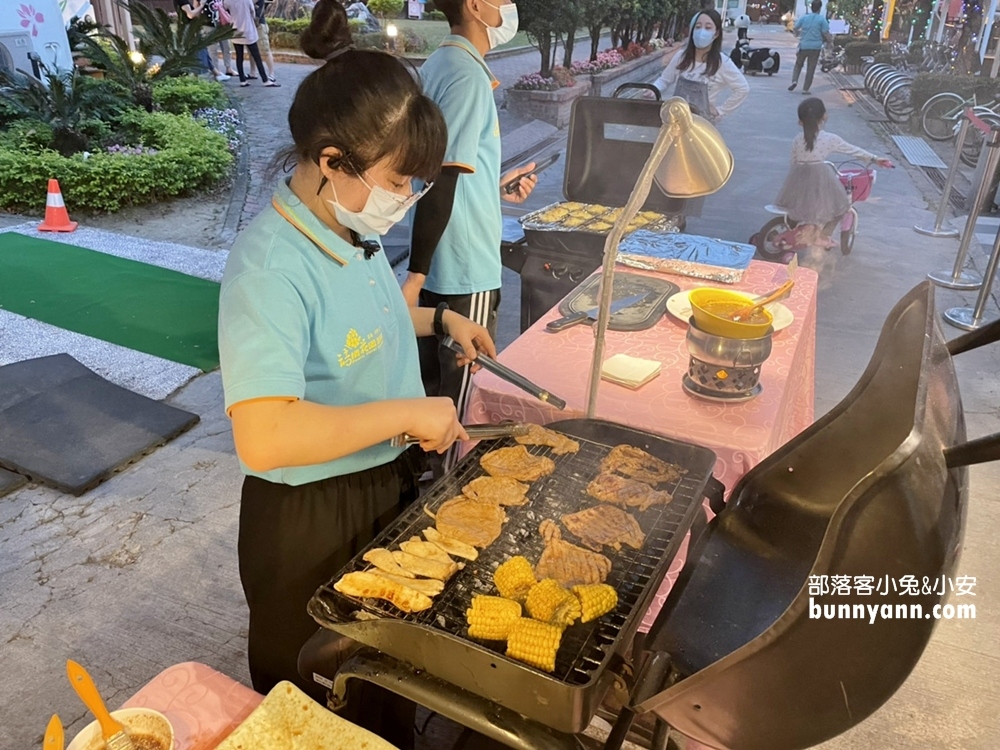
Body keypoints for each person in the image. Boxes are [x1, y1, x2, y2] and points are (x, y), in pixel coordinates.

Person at [217, 0, 494, 745]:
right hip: (307, 519)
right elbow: (265, 436)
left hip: (378, 488)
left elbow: (361, 329)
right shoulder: (267, 267)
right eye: (398, 182)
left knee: (383, 689)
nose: (404, 201)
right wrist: (408, 414)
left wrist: (442, 320)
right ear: (333, 162)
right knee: (320, 710)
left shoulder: (349, 227)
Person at [401, 0, 538, 468]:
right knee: (456, 397)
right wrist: (416, 278)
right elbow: (441, 180)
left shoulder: (441, 61)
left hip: (445, 250)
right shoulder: (467, 76)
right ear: (476, 6)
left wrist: (495, 187)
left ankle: (425, 478)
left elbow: (453, 171)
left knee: (433, 385)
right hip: (463, 266)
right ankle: (439, 492)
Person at [775, 97, 892, 248]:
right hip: (820, 177)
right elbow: (852, 150)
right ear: (824, 116)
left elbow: (793, 161)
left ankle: (794, 230)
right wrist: (875, 159)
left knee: (799, 207)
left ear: (800, 122)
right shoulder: (829, 138)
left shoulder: (798, 138)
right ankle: (823, 236)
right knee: (840, 206)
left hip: (798, 177)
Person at [653, 8, 749, 122]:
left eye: (708, 28)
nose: (701, 31)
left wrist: (721, 110)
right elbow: (664, 80)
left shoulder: (722, 63)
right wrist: (653, 90)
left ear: (716, 33)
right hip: (676, 121)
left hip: (703, 126)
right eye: (698, 27)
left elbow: (743, 88)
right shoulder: (681, 57)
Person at [225, 0, 278, 86]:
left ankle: (242, 80)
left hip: (235, 30)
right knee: (257, 57)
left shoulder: (228, 1)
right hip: (248, 31)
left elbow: (224, 10)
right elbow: (253, 13)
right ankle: (265, 80)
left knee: (239, 57)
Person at [174, 0, 228, 80]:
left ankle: (216, 73)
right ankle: (196, 76)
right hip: (189, 29)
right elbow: (190, 15)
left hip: (192, 27)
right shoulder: (182, 1)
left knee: (203, 50)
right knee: (199, 51)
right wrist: (201, 6)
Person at [788, 0, 829, 94]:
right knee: (811, 68)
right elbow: (825, 33)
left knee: (798, 65)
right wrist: (830, 42)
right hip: (816, 47)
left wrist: (798, 35)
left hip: (803, 45)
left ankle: (794, 81)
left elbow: (795, 28)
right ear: (820, 8)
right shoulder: (822, 19)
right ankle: (805, 89)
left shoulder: (804, 18)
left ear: (811, 7)